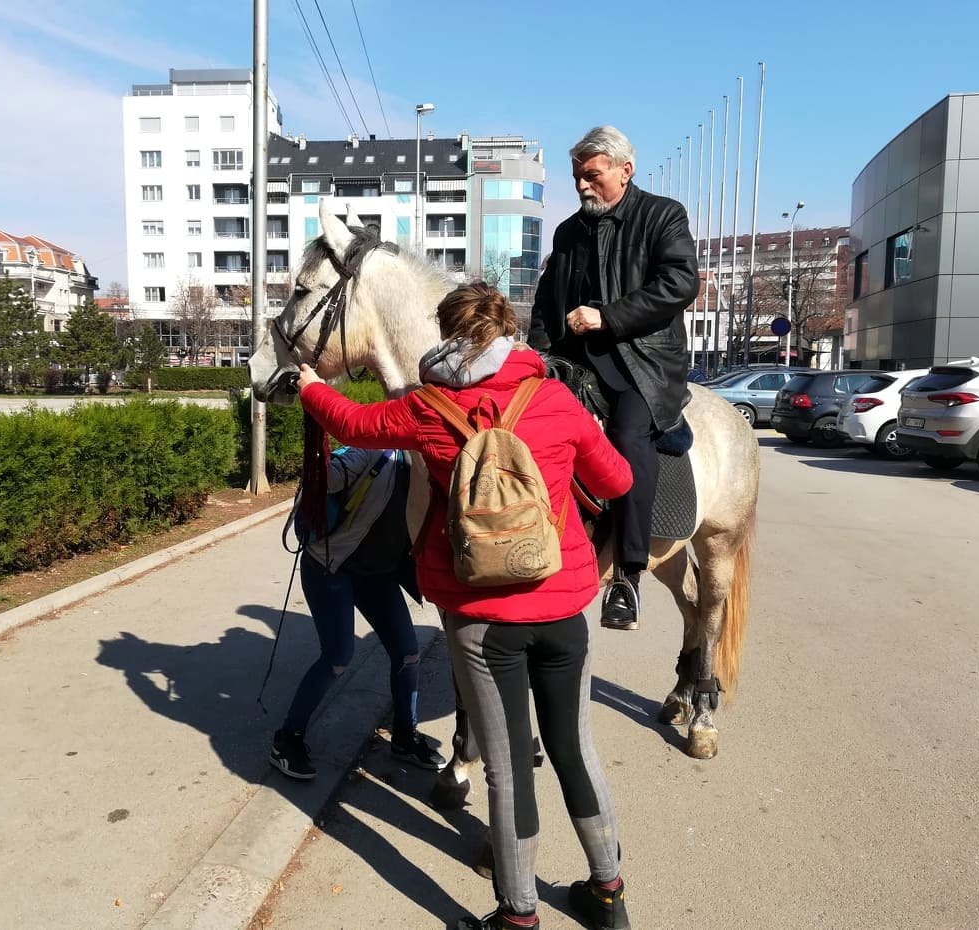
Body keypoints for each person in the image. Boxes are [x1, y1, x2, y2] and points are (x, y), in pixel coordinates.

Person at [297, 282, 634, 930]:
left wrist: (312, 382)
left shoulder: (431, 405)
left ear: (449, 336)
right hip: (563, 610)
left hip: (482, 623)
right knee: (575, 748)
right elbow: (618, 480)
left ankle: (518, 916)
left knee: (507, 770)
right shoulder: (556, 397)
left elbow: (353, 422)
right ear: (509, 333)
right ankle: (609, 895)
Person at [528, 125, 700, 631]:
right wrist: (536, 357)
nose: (582, 186)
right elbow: (544, 304)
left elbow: (680, 282)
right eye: (578, 177)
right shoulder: (566, 233)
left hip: (643, 363)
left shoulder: (663, 216)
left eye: (592, 176)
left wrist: (610, 317)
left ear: (625, 171)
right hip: (574, 364)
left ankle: (627, 575)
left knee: (627, 438)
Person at [270, 445, 447, 781]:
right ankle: (287, 739)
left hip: (377, 573)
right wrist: (317, 430)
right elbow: (325, 477)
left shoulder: (438, 464)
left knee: (408, 653)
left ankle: (404, 737)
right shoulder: (374, 452)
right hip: (331, 566)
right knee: (337, 656)